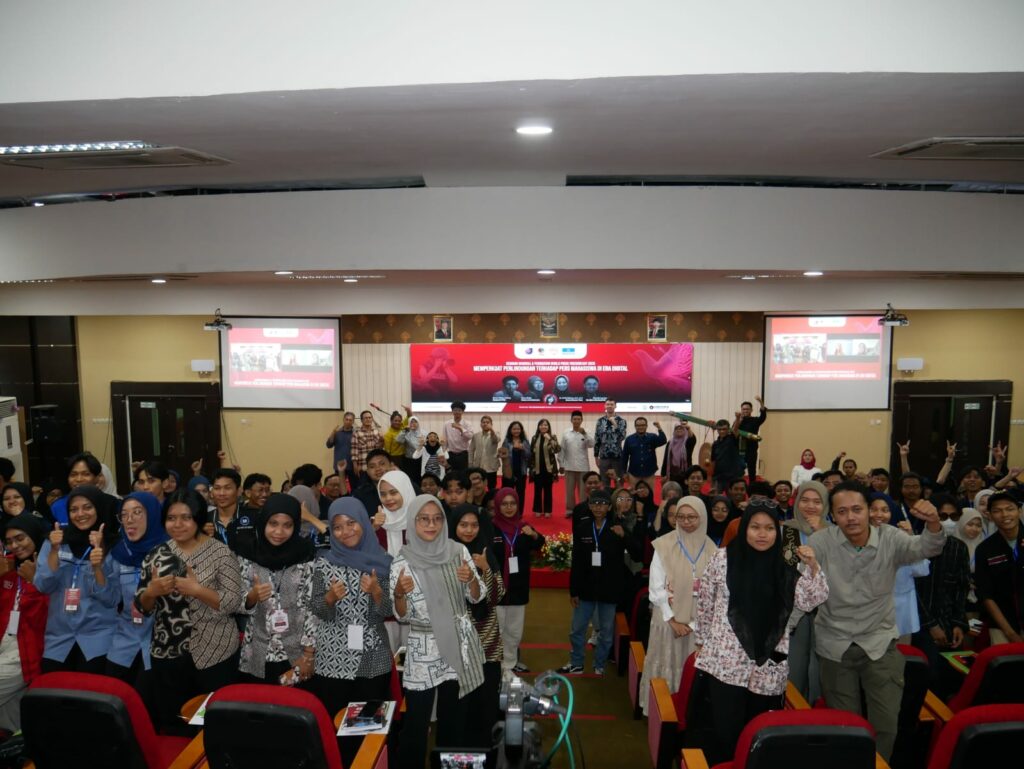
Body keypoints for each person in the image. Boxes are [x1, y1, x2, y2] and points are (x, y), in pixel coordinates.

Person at [810, 481, 945, 761]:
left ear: (869, 511)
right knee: (846, 728)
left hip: (879, 643)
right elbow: (800, 585)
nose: (851, 517)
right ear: (832, 516)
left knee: (886, 725)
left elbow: (925, 548)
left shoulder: (890, 538)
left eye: (857, 509)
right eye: (842, 512)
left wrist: (933, 522)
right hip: (835, 645)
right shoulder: (821, 542)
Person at [694, 501, 827, 765]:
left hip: (768, 662)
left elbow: (811, 600)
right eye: (755, 527)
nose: (762, 534)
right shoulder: (723, 559)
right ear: (744, 528)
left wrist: (812, 566)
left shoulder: (785, 563)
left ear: (778, 531)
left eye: (769, 528)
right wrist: (701, 641)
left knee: (759, 733)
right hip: (726, 661)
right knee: (725, 731)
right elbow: (706, 602)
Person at [135, 489, 243, 735]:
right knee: (173, 723)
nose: (178, 524)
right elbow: (142, 608)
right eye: (171, 518)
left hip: (213, 651)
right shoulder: (156, 555)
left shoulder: (221, 553)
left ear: (198, 518)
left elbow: (233, 603)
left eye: (186, 517)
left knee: (211, 724)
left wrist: (197, 590)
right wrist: (151, 592)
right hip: (168, 652)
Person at [390, 495, 487, 768]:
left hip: (457, 644)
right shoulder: (402, 561)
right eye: (424, 519)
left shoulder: (458, 551)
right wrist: (399, 593)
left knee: (453, 720)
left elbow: (478, 596)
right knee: (416, 723)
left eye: (437, 519)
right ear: (413, 522)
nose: (431, 525)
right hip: (424, 649)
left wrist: (472, 581)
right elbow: (401, 615)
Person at [310, 497, 393, 718]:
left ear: (363, 522)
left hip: (372, 655)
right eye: (337, 527)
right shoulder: (323, 563)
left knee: (369, 723)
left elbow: (390, 611)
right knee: (335, 720)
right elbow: (316, 608)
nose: (345, 531)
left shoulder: (383, 560)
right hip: (332, 657)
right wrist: (329, 598)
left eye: (351, 523)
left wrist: (376, 592)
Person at [640, 495, 715, 714]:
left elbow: (715, 593)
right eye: (681, 517)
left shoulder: (713, 550)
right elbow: (656, 587)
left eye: (692, 517)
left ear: (702, 518)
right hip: (667, 619)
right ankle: (661, 712)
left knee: (691, 669)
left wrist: (693, 624)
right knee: (667, 663)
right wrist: (672, 620)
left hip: (699, 624)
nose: (686, 521)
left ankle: (688, 713)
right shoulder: (664, 545)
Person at [34, 485, 119, 674]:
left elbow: (111, 599)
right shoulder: (55, 541)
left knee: (92, 690)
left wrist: (98, 566)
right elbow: (43, 586)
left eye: (87, 507)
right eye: (73, 509)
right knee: (52, 688)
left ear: (99, 508)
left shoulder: (112, 545)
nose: (80, 514)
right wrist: (54, 551)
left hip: (98, 639)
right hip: (59, 639)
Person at [236, 493, 317, 685]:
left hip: (296, 652)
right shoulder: (247, 555)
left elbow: (313, 608)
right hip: (257, 652)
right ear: (263, 522)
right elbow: (236, 604)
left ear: (295, 526)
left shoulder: (306, 555)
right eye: (273, 523)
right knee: (258, 701)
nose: (279, 531)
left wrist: (308, 655)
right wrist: (252, 596)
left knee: (296, 702)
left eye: (287, 525)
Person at [560, 489, 642, 675]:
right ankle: (576, 662)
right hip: (585, 588)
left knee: (606, 632)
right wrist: (574, 591)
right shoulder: (582, 528)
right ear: (589, 506)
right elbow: (577, 561)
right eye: (594, 503)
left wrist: (625, 536)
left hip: (609, 589)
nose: (598, 507)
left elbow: (638, 554)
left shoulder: (618, 527)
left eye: (603, 503)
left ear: (609, 507)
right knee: (577, 630)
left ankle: (600, 664)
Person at [105, 492, 168, 708]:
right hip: (125, 640)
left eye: (137, 513)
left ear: (152, 515)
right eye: (124, 514)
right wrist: (96, 570)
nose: (129, 520)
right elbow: (109, 599)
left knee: (148, 707)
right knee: (113, 704)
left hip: (160, 644)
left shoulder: (170, 553)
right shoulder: (118, 553)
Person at [450, 504, 506, 743]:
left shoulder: (486, 553)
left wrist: (485, 569)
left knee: (486, 699)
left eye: (474, 525)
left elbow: (498, 595)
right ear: (453, 526)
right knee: (460, 701)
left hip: (486, 640)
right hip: (457, 642)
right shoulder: (445, 555)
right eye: (463, 525)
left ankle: (486, 748)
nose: (469, 530)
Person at [780, 480, 829, 703]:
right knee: (795, 663)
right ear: (797, 502)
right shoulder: (786, 530)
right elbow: (783, 570)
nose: (810, 506)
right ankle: (793, 708)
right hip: (794, 610)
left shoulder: (836, 533)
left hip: (827, 609)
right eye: (805, 500)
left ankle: (819, 710)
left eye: (817, 502)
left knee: (822, 667)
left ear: (825, 505)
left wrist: (823, 534)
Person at [0, 514, 49, 730]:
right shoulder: (10, 572)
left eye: (20, 538)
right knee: (9, 715)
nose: (15, 546)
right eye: (9, 541)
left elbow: (44, 617)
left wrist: (35, 580)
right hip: (5, 643)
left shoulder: (51, 571)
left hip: (26, 649)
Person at [489, 488, 544, 676]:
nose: (509, 507)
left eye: (512, 503)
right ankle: (495, 668)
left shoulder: (524, 528)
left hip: (518, 589)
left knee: (513, 632)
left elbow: (540, 543)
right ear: (498, 506)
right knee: (496, 631)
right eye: (504, 504)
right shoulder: (491, 528)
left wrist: (534, 535)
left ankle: (509, 665)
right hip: (496, 589)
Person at [867, 493, 930, 644]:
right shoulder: (856, 538)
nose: (879, 515)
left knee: (901, 653)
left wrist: (910, 538)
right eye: (873, 509)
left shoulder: (901, 537)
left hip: (901, 611)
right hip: (869, 611)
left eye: (885, 510)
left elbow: (922, 571)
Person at [973, 492, 1024, 643]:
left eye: (1010, 509)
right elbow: (985, 594)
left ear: (1019, 511)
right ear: (989, 515)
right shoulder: (984, 549)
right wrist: (1010, 633)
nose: (1004, 514)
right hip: (1002, 626)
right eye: (997, 511)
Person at [561, 410, 595, 517]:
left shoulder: (586, 432)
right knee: (569, 491)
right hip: (569, 466)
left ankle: (582, 510)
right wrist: (561, 464)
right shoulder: (566, 433)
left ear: (581, 420)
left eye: (578, 419)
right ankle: (570, 510)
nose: (576, 421)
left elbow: (592, 444)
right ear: (571, 420)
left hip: (583, 467)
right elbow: (562, 449)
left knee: (583, 492)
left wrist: (584, 433)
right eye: (574, 419)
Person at [623, 417, 667, 490]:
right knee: (633, 494)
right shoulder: (629, 439)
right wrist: (624, 472)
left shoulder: (652, 437)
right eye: (638, 425)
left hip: (649, 473)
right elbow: (625, 456)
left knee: (649, 494)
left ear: (646, 426)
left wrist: (659, 428)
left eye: (643, 425)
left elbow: (663, 441)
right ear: (635, 426)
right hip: (634, 473)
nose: (640, 427)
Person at [528, 419, 559, 517]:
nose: (543, 427)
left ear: (548, 427)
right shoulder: (534, 438)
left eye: (545, 425)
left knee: (548, 490)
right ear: (538, 427)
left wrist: (550, 439)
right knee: (537, 490)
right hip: (537, 468)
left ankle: (547, 510)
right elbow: (531, 452)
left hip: (549, 468)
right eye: (541, 425)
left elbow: (557, 449)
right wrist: (531, 467)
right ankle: (537, 509)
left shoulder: (552, 437)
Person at [594, 399, 627, 486]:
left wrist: (615, 424)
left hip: (617, 456)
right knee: (604, 483)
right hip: (604, 457)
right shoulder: (600, 421)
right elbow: (597, 439)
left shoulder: (621, 421)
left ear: (615, 406)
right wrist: (596, 457)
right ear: (605, 406)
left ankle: (618, 495)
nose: (609, 406)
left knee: (619, 482)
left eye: (611, 404)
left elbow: (622, 437)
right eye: (607, 404)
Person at [709, 418, 743, 494]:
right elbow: (713, 461)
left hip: (732, 477)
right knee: (715, 498)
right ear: (717, 430)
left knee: (732, 498)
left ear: (728, 429)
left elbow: (736, 429)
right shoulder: (715, 444)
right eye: (719, 429)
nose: (722, 431)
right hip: (718, 477)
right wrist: (710, 477)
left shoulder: (732, 439)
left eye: (724, 429)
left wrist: (738, 418)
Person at [737, 397, 767, 482]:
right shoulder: (738, 420)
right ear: (741, 410)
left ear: (751, 410)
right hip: (739, 450)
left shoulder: (755, 420)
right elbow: (733, 431)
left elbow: (763, 416)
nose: (745, 411)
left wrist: (761, 402)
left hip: (752, 449)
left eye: (747, 409)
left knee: (752, 471)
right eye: (743, 409)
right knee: (738, 471)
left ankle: (752, 487)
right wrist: (739, 420)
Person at [326, 411, 357, 492]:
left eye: (350, 420)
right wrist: (333, 433)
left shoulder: (356, 433)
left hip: (352, 465)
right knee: (339, 488)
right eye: (346, 419)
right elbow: (329, 445)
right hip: (339, 465)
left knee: (355, 488)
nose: (348, 421)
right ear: (343, 420)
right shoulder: (337, 432)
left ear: (353, 421)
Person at [469, 416, 500, 489]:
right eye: (483, 422)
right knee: (478, 487)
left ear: (491, 424)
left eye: (487, 422)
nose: (485, 424)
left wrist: (491, 429)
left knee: (491, 487)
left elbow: (496, 439)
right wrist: (470, 463)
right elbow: (471, 450)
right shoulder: (476, 436)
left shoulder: (496, 433)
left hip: (491, 466)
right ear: (480, 424)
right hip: (478, 466)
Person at [443, 401, 474, 474]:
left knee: (463, 475)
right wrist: (443, 453)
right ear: (452, 411)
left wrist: (461, 428)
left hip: (463, 454)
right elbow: (445, 439)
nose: (457, 412)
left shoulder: (467, 423)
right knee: (450, 475)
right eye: (455, 410)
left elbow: (470, 436)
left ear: (463, 411)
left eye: (459, 410)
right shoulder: (447, 424)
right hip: (450, 454)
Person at [352, 410, 384, 479]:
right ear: (362, 420)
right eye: (366, 418)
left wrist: (382, 441)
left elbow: (379, 449)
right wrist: (355, 466)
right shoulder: (356, 433)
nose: (368, 419)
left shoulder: (376, 432)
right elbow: (354, 451)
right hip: (363, 467)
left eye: (370, 417)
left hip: (376, 467)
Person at [396, 415, 425, 483]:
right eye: (411, 422)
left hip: (420, 460)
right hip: (409, 460)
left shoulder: (423, 433)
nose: (413, 424)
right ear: (409, 423)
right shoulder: (406, 433)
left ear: (418, 423)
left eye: (415, 422)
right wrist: (404, 430)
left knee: (420, 478)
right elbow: (398, 440)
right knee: (410, 479)